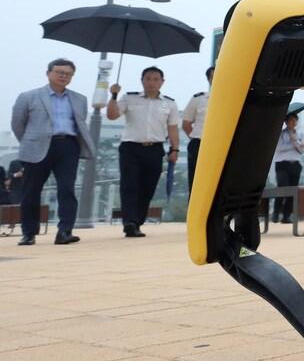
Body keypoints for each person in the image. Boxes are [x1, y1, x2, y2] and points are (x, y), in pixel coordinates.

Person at [10, 58, 97, 245]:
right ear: (49, 73)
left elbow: (80, 124)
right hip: (37, 146)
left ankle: (65, 231)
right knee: (31, 191)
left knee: (67, 188)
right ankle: (29, 233)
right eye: (60, 72)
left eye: (68, 74)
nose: (64, 76)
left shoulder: (79, 99)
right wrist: (28, 141)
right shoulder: (28, 96)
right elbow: (18, 124)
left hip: (67, 146)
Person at [107, 66, 180, 237]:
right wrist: (114, 96)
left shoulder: (169, 103)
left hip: (154, 149)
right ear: (142, 80)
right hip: (130, 148)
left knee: (148, 187)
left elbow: (173, 128)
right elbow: (112, 115)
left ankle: (138, 221)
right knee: (129, 185)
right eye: (148, 78)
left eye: (156, 79)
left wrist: (175, 149)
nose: (152, 82)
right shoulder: (129, 98)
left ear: (162, 82)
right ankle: (129, 222)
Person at [182, 66, 215, 191]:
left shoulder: (235, 99)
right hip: (200, 144)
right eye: (213, 76)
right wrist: (198, 138)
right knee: (197, 184)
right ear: (209, 80)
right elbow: (186, 124)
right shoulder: (198, 99)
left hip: (223, 146)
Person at [271, 112, 304, 224]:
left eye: (295, 120)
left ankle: (286, 216)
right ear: (286, 122)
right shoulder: (281, 134)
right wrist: (293, 144)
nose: (293, 122)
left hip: (295, 164)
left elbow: (302, 150)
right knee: (282, 188)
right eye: (291, 120)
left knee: (292, 190)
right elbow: (279, 148)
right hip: (282, 164)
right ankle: (276, 213)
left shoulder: (299, 134)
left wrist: (294, 141)